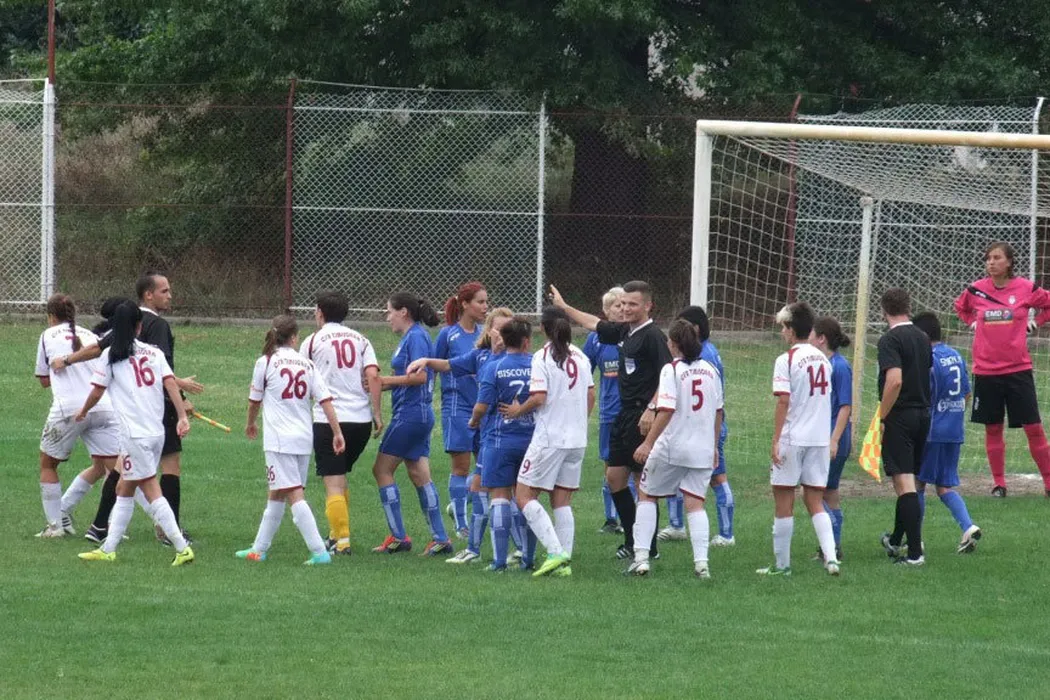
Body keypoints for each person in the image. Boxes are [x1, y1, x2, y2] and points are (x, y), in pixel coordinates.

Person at [53, 273, 204, 545]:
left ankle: (101, 529)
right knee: (162, 471)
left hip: (131, 419)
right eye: (165, 291)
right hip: (154, 413)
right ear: (148, 295)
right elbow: (165, 374)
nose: (170, 296)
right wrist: (181, 403)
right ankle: (172, 537)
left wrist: (67, 360)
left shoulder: (120, 331)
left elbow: (96, 353)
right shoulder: (156, 327)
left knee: (123, 474)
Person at [551, 281, 670, 560]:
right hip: (623, 415)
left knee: (643, 484)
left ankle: (648, 547)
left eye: (633, 304)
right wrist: (564, 307)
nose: (626, 308)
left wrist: (652, 408)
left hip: (643, 416)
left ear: (648, 306)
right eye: (623, 303)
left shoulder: (653, 336)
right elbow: (594, 323)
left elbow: (668, 376)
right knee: (615, 477)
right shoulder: (624, 331)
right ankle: (631, 539)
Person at [75, 301, 194, 566]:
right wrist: (182, 416)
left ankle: (181, 547)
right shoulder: (154, 353)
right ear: (139, 327)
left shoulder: (111, 356)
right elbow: (171, 384)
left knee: (151, 489)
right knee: (124, 487)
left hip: (135, 436)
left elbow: (97, 391)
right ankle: (109, 548)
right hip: (156, 432)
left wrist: (83, 411)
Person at [409, 308, 516, 564]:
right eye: (498, 329)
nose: (502, 335)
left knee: (507, 491)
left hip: (504, 434)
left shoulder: (514, 360)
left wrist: (478, 418)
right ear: (489, 330)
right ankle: (478, 546)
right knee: (487, 486)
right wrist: (426, 361)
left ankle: (505, 552)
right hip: (490, 432)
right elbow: (449, 364)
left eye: (508, 330)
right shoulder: (480, 355)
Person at [237, 315, 345, 565]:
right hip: (303, 438)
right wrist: (337, 432)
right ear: (294, 338)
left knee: (294, 494)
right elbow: (325, 400)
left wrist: (250, 423)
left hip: (279, 440)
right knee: (277, 492)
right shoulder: (307, 364)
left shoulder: (265, 362)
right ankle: (259, 549)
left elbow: (254, 401)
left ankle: (318, 551)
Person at [501, 307, 595, 578]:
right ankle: (564, 563)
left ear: (542, 328)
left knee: (524, 495)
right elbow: (591, 395)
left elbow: (539, 397)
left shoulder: (542, 356)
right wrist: (578, 421)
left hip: (550, 438)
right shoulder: (581, 356)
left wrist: (517, 410)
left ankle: (555, 552)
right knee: (562, 501)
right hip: (577, 440)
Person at [627, 320, 724, 579]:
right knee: (696, 503)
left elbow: (667, 409)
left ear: (674, 344)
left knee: (647, 494)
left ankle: (641, 559)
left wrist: (648, 443)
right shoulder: (711, 370)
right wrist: (714, 446)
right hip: (702, 449)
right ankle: (702, 565)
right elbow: (719, 412)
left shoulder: (671, 370)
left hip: (673, 447)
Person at [953, 241, 1050, 497]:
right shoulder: (975, 289)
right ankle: (999, 484)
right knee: (993, 427)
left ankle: (1049, 482)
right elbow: (960, 307)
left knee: (1033, 427)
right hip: (986, 371)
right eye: (988, 258)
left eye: (996, 258)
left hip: (1018, 370)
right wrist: (972, 322)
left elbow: (1048, 304)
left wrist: (1036, 322)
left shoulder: (1026, 288)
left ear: (1009, 262)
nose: (991, 262)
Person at [757, 302, 840, 577]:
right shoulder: (824, 360)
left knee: (784, 501)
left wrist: (775, 439)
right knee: (815, 500)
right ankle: (831, 559)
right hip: (819, 439)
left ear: (792, 330)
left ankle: (782, 566)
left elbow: (783, 401)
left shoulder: (786, 359)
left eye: (784, 327)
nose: (782, 332)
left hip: (793, 438)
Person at [299, 290, 383, 556]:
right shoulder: (362, 340)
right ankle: (335, 534)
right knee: (340, 478)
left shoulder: (312, 341)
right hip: (360, 420)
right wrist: (377, 413)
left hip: (329, 420)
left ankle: (342, 541)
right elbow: (373, 376)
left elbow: (303, 380)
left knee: (333, 483)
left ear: (320, 313)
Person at [33, 294, 120, 538]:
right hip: (103, 406)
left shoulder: (47, 335)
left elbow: (43, 379)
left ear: (51, 316)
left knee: (48, 464)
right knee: (115, 470)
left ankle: (55, 527)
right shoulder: (90, 335)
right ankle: (113, 525)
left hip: (68, 409)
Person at [371, 292, 451, 555]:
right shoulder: (413, 337)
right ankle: (441, 539)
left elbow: (420, 377)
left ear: (403, 312)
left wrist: (385, 381)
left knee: (381, 470)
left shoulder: (416, 336)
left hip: (410, 414)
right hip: (419, 414)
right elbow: (407, 378)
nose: (388, 317)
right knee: (419, 474)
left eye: (389, 311)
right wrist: (381, 386)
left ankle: (398, 537)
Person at [660, 306, 736, 547]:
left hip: (706, 426)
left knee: (717, 478)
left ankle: (726, 534)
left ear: (695, 328)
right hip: (698, 425)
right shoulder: (707, 351)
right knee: (676, 473)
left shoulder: (704, 356)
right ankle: (676, 525)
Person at [468, 317, 535, 571]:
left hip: (499, 440)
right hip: (531, 440)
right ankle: (528, 559)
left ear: (504, 340)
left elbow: (481, 406)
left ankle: (499, 562)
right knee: (527, 498)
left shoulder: (494, 367)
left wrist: (474, 421)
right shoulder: (537, 364)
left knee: (499, 497)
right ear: (527, 341)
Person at [912, 312, 982, 554]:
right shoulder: (956, 355)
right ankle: (968, 527)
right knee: (944, 486)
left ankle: (915, 540)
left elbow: (924, 395)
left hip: (932, 431)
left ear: (922, 336)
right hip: (954, 430)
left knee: (917, 483)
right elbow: (966, 393)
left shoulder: (928, 360)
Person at [876, 288, 932, 566]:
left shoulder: (890, 339)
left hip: (901, 415)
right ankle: (897, 539)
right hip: (923, 414)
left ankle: (915, 554)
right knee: (908, 482)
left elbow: (895, 380)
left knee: (904, 482)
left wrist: (882, 416)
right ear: (908, 307)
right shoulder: (923, 337)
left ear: (883, 310)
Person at [435, 282, 488, 538]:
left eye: (486, 302)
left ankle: (461, 503)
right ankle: (461, 524)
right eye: (480, 302)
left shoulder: (485, 334)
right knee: (461, 467)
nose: (485, 307)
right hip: (457, 406)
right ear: (465, 304)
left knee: (486, 465)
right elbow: (435, 366)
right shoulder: (448, 334)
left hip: (483, 407)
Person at [582, 286, 627, 535]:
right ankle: (611, 519)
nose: (622, 309)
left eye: (625, 304)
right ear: (606, 311)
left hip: (633, 413)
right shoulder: (595, 339)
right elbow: (583, 372)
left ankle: (631, 518)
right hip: (609, 413)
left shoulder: (635, 334)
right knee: (610, 465)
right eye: (617, 305)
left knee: (633, 465)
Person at [810, 316, 852, 561]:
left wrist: (834, 440)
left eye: (812, 334)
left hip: (833, 438)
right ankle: (833, 546)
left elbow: (845, 406)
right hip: (827, 437)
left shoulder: (839, 366)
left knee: (813, 492)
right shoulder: (824, 364)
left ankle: (831, 546)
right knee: (829, 491)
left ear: (821, 339)